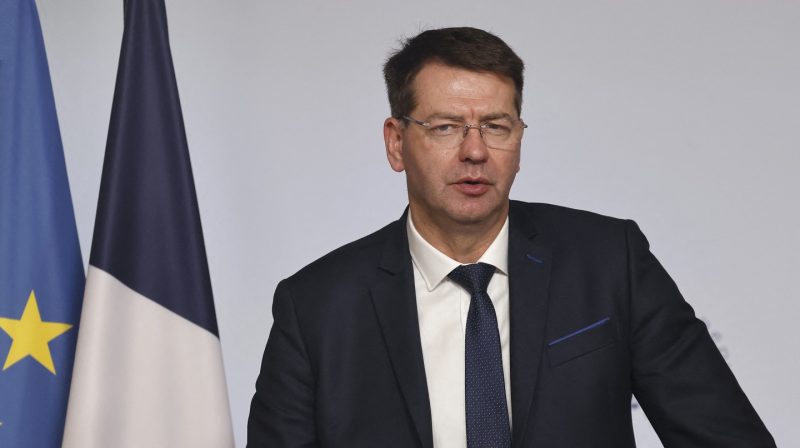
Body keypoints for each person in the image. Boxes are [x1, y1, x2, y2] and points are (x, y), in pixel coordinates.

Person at [247, 27, 774, 447]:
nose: (475, 152)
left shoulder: (610, 262)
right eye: (446, 127)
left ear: (519, 139)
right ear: (396, 143)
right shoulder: (316, 306)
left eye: (496, 126)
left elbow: (726, 436)